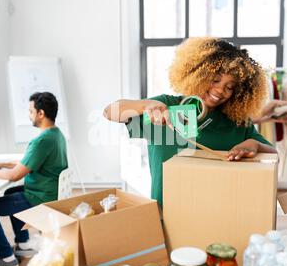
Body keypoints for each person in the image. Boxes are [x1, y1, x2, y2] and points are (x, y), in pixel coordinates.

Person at [104, 37, 277, 207]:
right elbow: (110, 112)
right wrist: (146, 105)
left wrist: (254, 144)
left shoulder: (237, 122)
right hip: (167, 213)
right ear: (199, 74)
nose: (220, 90)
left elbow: (272, 154)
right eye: (215, 80)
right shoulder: (167, 108)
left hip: (218, 212)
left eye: (229, 87)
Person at [0, 92, 68, 266]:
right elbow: (26, 162)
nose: (29, 115)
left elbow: (14, 175)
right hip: (48, 191)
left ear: (41, 114)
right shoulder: (56, 134)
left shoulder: (42, 140)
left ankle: (5, 257)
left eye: (30, 111)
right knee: (10, 193)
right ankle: (24, 243)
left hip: (39, 197)